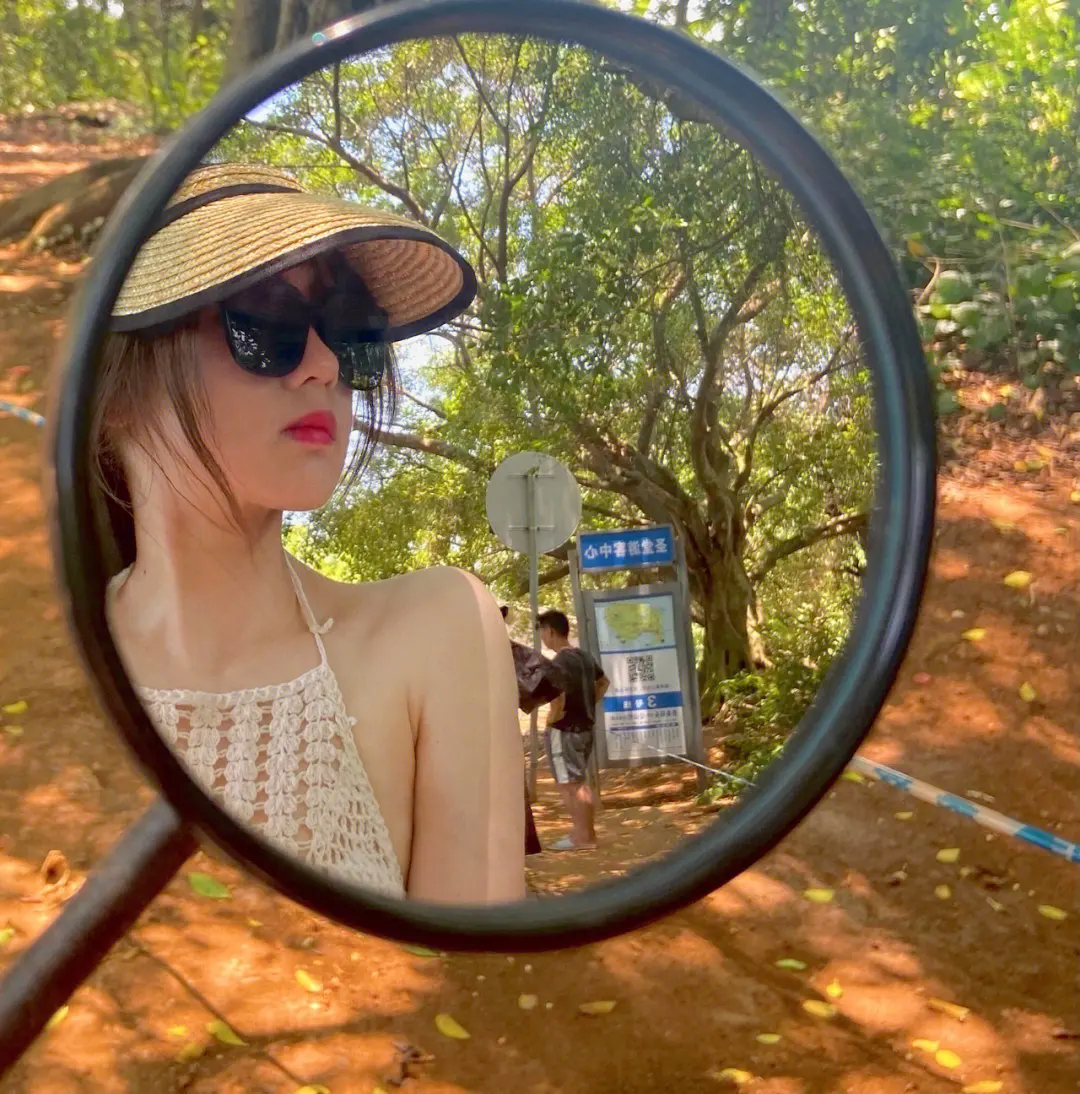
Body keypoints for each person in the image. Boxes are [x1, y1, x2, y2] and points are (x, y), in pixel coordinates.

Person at [94, 162, 524, 904]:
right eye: (267, 321)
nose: (324, 366)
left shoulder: (437, 629)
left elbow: (475, 966)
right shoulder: (48, 677)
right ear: (120, 383)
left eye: (351, 331)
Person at [537, 609, 609, 850]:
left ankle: (582, 837)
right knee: (578, 781)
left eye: (542, 631)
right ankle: (587, 834)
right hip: (585, 728)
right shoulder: (584, 657)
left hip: (564, 731)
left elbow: (558, 697)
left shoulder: (559, 662)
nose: (542, 637)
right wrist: (587, 703)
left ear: (550, 631)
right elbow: (603, 682)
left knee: (569, 785)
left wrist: (554, 717)